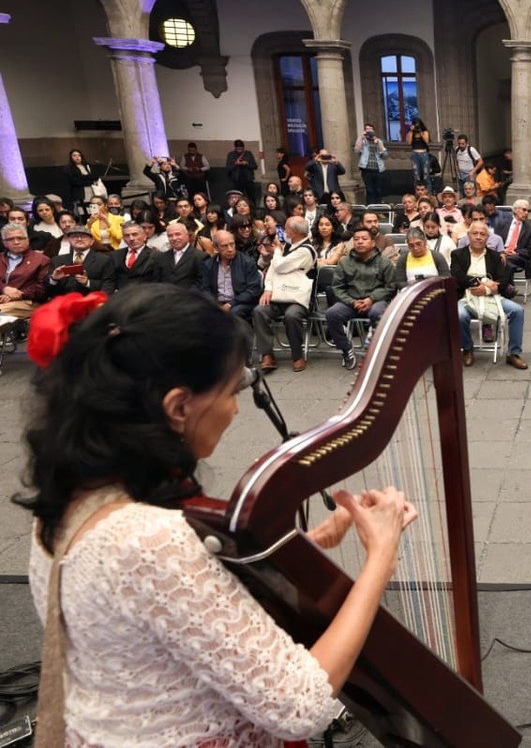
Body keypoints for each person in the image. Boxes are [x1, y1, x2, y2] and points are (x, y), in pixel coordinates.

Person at [19, 284, 419, 748]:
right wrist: (381, 558)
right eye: (232, 391)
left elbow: (167, 609)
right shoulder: (145, 539)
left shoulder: (75, 496)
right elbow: (300, 705)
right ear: (178, 406)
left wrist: (306, 546)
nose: (234, 408)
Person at [451, 220, 528, 370]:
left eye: (482, 234)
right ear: (468, 236)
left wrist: (488, 289)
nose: (478, 237)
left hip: (492, 296)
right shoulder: (458, 254)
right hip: (467, 296)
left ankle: (514, 353)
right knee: (459, 315)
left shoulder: (495, 256)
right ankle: (467, 349)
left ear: (487, 237)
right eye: (475, 233)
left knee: (517, 311)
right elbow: (457, 276)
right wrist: (479, 283)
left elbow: (504, 279)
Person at [254, 216, 317, 373]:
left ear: (294, 232)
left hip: (297, 298)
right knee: (259, 311)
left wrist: (276, 251)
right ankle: (267, 355)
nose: (284, 232)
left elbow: (280, 266)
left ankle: (297, 355)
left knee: (291, 315)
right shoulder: (287, 247)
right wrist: (268, 288)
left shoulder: (306, 250)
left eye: (287, 229)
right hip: (278, 295)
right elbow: (272, 270)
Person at [328, 225, 395, 370]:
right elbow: (337, 288)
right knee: (332, 314)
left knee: (378, 313)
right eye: (356, 239)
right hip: (352, 302)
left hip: (375, 301)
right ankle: (346, 349)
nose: (359, 242)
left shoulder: (384, 262)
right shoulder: (345, 262)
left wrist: (371, 299)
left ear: (372, 243)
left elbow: (390, 287)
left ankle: (376, 352)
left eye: (364, 239)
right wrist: (352, 302)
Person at [202, 228, 262, 319]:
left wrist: (231, 304)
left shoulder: (247, 263)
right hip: (217, 303)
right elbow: (205, 289)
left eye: (232, 244)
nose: (230, 249)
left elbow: (253, 290)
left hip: (239, 303)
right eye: (224, 246)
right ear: (215, 247)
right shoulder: (209, 265)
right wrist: (215, 305)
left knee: (232, 314)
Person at [46, 224, 115, 298]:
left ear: (92, 241)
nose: (79, 239)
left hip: (91, 303)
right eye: (75, 236)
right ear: (69, 240)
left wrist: (87, 282)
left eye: (83, 236)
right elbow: (45, 289)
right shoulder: (57, 260)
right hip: (64, 304)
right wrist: (54, 279)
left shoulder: (104, 260)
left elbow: (109, 285)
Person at [0, 224, 49, 319]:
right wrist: (5, 289)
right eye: (10, 239)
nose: (16, 242)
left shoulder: (41, 259)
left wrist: (19, 294)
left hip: (28, 302)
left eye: (20, 238)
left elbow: (42, 288)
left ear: (28, 239)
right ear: (4, 243)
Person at [397, 226, 450, 292]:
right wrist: (413, 286)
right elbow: (400, 282)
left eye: (418, 244)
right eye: (411, 245)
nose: (415, 248)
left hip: (434, 292)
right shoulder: (403, 259)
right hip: (411, 292)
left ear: (425, 242)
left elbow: (446, 279)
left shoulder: (437, 257)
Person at [156, 222, 206, 291]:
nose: (174, 238)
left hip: (190, 298)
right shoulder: (162, 257)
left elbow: (201, 283)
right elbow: (157, 281)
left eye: (178, 234)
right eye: (170, 236)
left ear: (187, 235)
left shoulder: (200, 257)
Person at [496, 199, 531, 279]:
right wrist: (502, 251)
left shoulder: (530, 229)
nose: (526, 213)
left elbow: (529, 251)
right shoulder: (502, 223)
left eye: (528, 211)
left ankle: (506, 286)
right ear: (515, 210)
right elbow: (495, 241)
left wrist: (515, 252)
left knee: (506, 261)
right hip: (502, 252)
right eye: (524, 210)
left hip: (518, 256)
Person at [355, 124, 388, 205]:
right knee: (369, 190)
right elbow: (357, 150)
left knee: (378, 189)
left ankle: (379, 207)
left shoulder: (379, 141)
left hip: (378, 169)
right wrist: (360, 138)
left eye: (371, 129)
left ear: (374, 131)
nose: (369, 131)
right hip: (366, 169)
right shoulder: (362, 141)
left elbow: (385, 155)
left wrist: (378, 144)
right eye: (367, 129)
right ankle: (370, 208)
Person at [409, 118, 432, 189]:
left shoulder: (424, 131)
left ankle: (428, 194)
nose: (417, 126)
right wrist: (411, 131)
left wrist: (420, 131)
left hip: (424, 154)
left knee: (426, 176)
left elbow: (427, 141)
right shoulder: (412, 133)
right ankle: (417, 194)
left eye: (418, 125)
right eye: (415, 125)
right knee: (416, 176)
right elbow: (409, 142)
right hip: (415, 154)